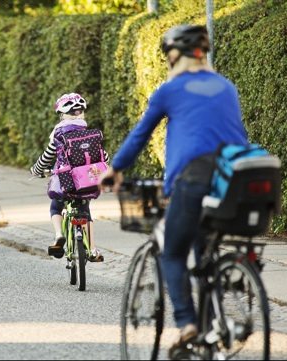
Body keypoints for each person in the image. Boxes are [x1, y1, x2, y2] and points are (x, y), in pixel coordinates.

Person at [99, 25, 249, 357]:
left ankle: (188, 324)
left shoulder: (171, 90)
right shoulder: (226, 87)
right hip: (234, 179)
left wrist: (115, 170)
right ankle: (219, 315)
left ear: (174, 55)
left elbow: (140, 135)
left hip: (193, 180)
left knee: (172, 251)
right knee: (205, 252)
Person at [30, 93, 109, 262]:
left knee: (55, 206)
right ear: (81, 113)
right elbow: (105, 158)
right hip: (86, 183)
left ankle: (59, 235)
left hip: (66, 183)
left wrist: (36, 170)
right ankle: (93, 249)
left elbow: (46, 157)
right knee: (85, 212)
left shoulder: (58, 135)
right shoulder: (91, 134)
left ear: (63, 115)